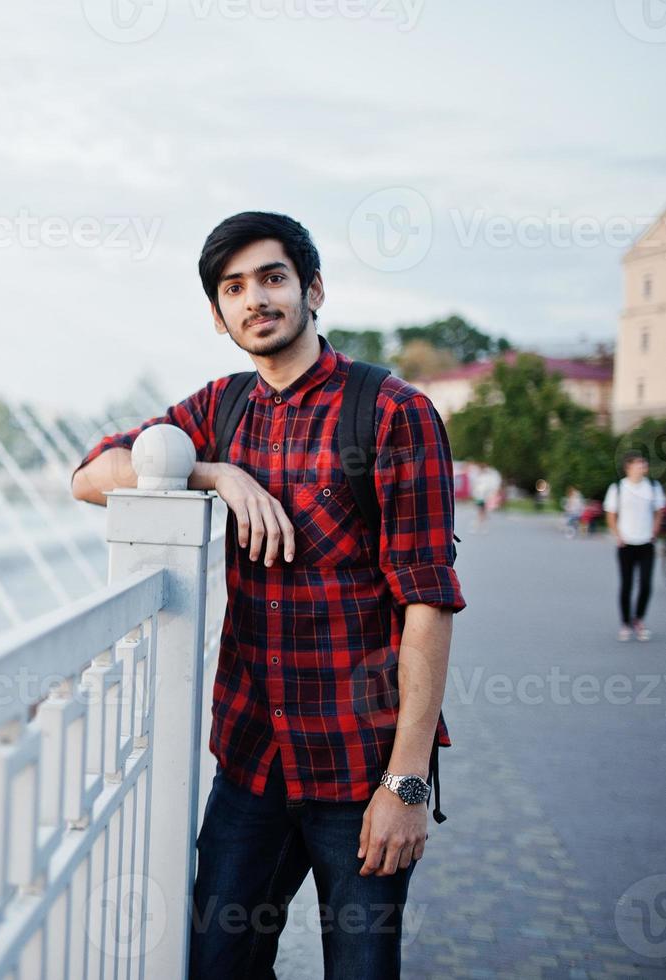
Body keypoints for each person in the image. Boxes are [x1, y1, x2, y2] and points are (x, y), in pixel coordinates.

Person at [71, 212, 464, 979]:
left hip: (360, 765)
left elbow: (428, 600)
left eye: (272, 277)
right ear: (218, 317)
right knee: (218, 962)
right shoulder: (220, 411)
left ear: (312, 289)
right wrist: (213, 473)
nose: (255, 298)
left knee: (359, 968)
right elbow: (90, 475)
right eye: (233, 288)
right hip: (251, 762)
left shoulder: (390, 412)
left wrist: (406, 786)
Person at [604, 452, 665, 642]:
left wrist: (655, 530)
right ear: (628, 467)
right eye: (639, 464)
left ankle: (638, 619)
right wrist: (618, 535)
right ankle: (625, 623)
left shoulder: (653, 488)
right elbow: (611, 514)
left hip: (646, 542)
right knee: (627, 585)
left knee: (646, 584)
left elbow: (659, 511)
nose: (643, 467)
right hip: (626, 543)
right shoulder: (618, 488)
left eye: (644, 463)